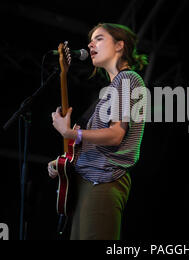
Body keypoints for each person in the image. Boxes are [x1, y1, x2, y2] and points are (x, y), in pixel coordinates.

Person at [47, 23, 148, 240]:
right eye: (91, 39)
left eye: (99, 38)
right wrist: (65, 162)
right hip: (88, 183)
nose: (90, 44)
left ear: (120, 46)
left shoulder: (128, 79)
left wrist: (72, 134)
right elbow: (93, 143)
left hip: (103, 181)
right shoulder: (109, 91)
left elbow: (115, 135)